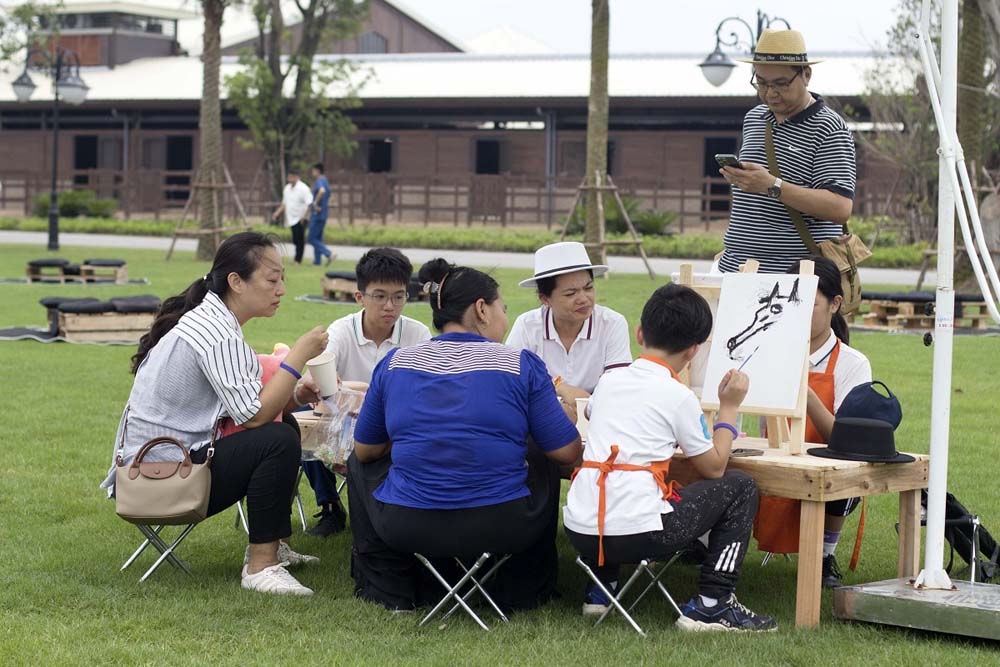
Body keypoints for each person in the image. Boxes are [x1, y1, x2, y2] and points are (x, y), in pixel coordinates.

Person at [101, 232, 329, 596]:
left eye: (282, 278)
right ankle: (261, 567)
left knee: (282, 425)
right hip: (160, 481)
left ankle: (275, 545)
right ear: (236, 283)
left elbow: (254, 406)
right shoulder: (216, 333)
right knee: (277, 439)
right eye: (272, 279)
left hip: (158, 467)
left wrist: (294, 391)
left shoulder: (213, 321)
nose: (282, 289)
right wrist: (298, 356)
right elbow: (254, 416)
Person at [347, 258, 582, 611]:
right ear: (482, 309)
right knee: (541, 455)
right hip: (503, 523)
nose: (505, 317)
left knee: (358, 464)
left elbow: (365, 450)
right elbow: (567, 453)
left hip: (406, 523)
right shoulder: (519, 363)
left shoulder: (396, 363)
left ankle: (389, 585)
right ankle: (524, 586)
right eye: (504, 307)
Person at [563, 283, 777, 632]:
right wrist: (729, 407)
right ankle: (713, 604)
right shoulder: (677, 395)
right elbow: (714, 466)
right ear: (693, 351)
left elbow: (596, 417)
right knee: (740, 486)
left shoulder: (609, 381)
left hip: (581, 530)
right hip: (637, 535)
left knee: (614, 478)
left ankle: (601, 591)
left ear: (640, 332)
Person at [300, 248, 431, 537]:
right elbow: (320, 377)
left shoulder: (417, 334)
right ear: (360, 297)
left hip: (396, 422)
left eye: (399, 296)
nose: (390, 306)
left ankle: (396, 504)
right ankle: (330, 504)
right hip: (344, 419)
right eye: (380, 296)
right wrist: (327, 381)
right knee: (302, 421)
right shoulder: (343, 331)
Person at [716, 29, 856, 274]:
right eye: (761, 82)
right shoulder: (754, 118)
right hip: (736, 267)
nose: (770, 92)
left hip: (794, 276)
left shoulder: (829, 127)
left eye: (780, 83)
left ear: (807, 75)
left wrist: (772, 185)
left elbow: (840, 208)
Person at [791, 254, 872, 587]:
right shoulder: (766, 350)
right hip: (775, 458)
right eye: (791, 301)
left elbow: (846, 441)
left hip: (827, 466)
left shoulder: (853, 363)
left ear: (835, 304)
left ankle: (825, 555)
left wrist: (806, 395)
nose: (798, 312)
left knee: (845, 472)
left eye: (810, 303)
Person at [506, 241, 632, 404]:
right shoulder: (527, 326)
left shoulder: (612, 324)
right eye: (570, 293)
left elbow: (618, 387)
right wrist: (561, 386)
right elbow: (511, 380)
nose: (583, 299)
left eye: (588, 288)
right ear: (545, 299)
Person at [272, 169, 313, 265]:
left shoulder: (303, 188)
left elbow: (309, 204)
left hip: (301, 218)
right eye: (289, 176)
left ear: (297, 177)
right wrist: (277, 213)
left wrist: (304, 217)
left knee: (300, 239)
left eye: (291, 176)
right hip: (291, 218)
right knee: (295, 239)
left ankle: (297, 260)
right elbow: (284, 204)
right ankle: (296, 258)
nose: (289, 178)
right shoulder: (287, 188)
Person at [307, 162, 335, 266]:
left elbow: (322, 191)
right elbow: (329, 194)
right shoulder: (326, 181)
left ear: (317, 171)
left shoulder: (320, 181)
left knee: (311, 238)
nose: (312, 173)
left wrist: (315, 203)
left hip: (317, 214)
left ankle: (329, 254)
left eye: (313, 171)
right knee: (317, 238)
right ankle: (317, 261)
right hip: (323, 213)